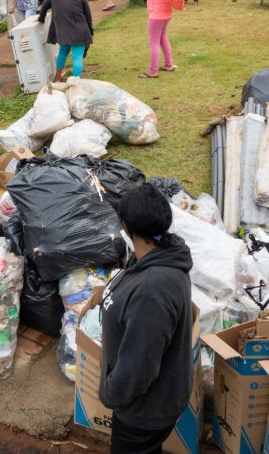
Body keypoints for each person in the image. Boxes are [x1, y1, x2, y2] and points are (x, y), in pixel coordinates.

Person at [99, 183, 193, 453]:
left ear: (127, 228)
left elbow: (138, 368)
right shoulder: (157, 256)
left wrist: (111, 394)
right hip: (151, 400)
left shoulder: (151, 291)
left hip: (144, 410)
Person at [38, 0, 93, 80]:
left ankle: (57, 77)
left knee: (62, 53)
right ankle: (75, 82)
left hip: (63, 31)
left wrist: (41, 19)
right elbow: (88, 16)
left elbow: (43, 7)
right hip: (79, 31)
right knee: (77, 57)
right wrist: (91, 32)